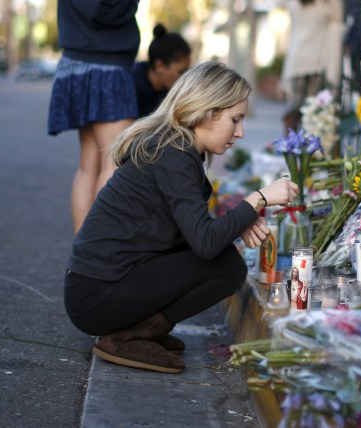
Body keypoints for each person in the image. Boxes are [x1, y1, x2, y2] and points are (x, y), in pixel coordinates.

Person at [63, 62, 299, 374]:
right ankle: (129, 337)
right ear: (208, 112)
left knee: (225, 260)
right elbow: (204, 242)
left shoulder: (177, 148)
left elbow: (194, 231)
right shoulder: (173, 154)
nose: (240, 133)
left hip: (101, 286)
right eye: (235, 120)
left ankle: (143, 330)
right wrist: (258, 198)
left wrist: (243, 220)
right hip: (95, 295)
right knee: (226, 267)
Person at [48, 0, 141, 234]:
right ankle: (99, 252)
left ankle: (83, 254)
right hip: (108, 66)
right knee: (113, 163)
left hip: (74, 63)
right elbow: (104, 10)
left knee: (88, 165)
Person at [280, 0, 345, 132]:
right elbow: (338, 28)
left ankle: (295, 149)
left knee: (304, 112)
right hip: (314, 65)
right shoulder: (329, 4)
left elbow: (292, 36)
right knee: (314, 112)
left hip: (305, 64)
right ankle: (303, 149)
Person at [133, 24, 192, 118]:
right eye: (181, 72)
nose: (184, 78)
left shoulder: (172, 94)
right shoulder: (129, 87)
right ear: (159, 66)